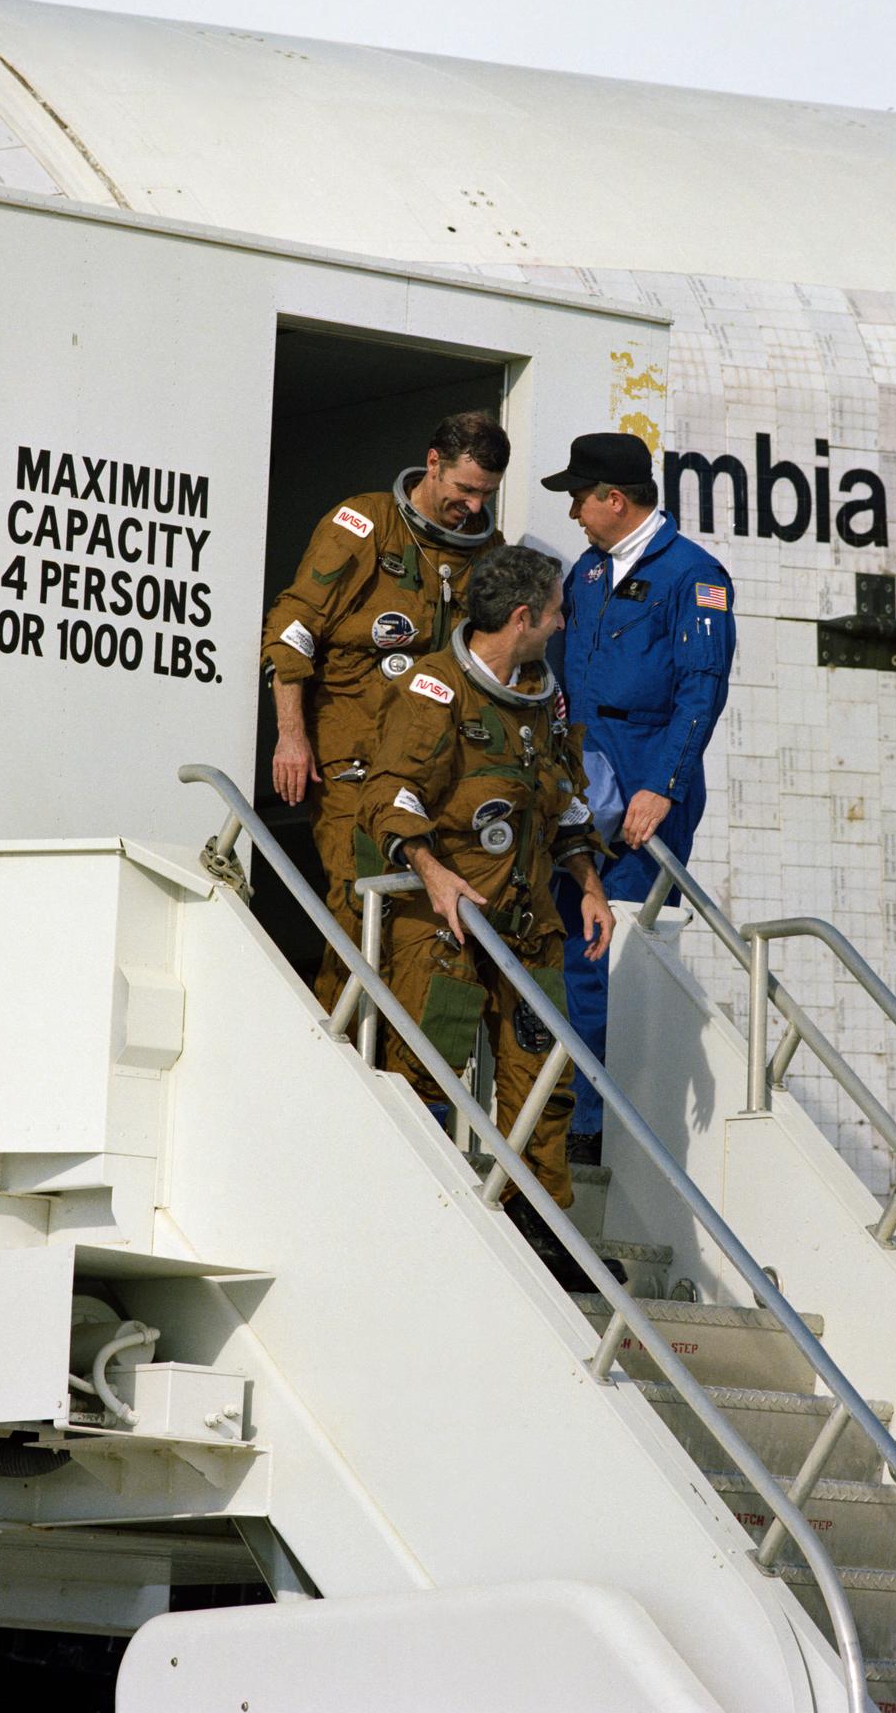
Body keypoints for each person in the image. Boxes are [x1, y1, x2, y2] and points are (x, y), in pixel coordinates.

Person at [360, 545, 615, 1286]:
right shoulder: (434, 689)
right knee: (425, 1069)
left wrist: (588, 884)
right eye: (558, 612)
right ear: (524, 617)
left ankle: (541, 1228)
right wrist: (432, 872)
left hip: (528, 924)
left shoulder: (542, 696)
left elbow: (565, 801)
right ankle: (413, 1220)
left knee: (545, 1082)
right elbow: (391, 794)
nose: (564, 623)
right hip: (447, 924)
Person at [261, 412, 509, 1001]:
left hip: (433, 770)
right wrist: (291, 735)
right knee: (361, 904)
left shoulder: (488, 551)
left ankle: (399, 1058)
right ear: (433, 463)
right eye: (465, 489)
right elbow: (293, 629)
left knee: (427, 931)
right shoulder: (364, 523)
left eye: (487, 494)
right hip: (352, 757)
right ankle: (335, 1042)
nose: (474, 506)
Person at [542, 432, 736, 1155]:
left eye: (579, 499)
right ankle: (568, 1115)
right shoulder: (590, 571)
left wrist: (663, 785)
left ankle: (603, 1130)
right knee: (572, 944)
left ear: (614, 499)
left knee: (618, 954)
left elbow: (701, 690)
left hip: (645, 773)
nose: (572, 513)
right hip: (583, 768)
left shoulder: (693, 575)